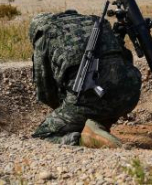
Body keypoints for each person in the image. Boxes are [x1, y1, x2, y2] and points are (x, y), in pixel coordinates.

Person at [28, 9, 141, 147]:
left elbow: (45, 89)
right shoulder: (99, 22)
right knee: (103, 97)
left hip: (88, 101)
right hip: (129, 96)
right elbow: (126, 59)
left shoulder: (44, 32)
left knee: (43, 136)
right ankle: (98, 126)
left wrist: (64, 109)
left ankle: (84, 139)